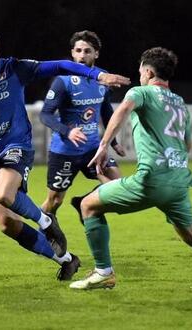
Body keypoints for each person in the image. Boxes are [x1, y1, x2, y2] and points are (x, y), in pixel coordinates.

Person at [0, 30, 130, 281]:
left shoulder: (14, 69)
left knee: (4, 194)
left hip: (16, 146)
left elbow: (60, 65)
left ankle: (46, 222)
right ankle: (66, 259)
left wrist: (98, 74)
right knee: (6, 224)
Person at [68, 47, 192, 292]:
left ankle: (103, 272)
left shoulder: (141, 92)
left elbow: (123, 109)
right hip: (178, 181)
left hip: (151, 179)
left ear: (148, 71)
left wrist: (103, 146)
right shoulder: (180, 104)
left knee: (87, 205)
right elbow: (186, 145)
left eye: (140, 73)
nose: (139, 77)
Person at [39, 30, 126, 217]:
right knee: (54, 201)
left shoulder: (103, 78)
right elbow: (45, 115)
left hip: (92, 149)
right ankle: (42, 227)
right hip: (64, 151)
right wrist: (67, 131)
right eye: (78, 50)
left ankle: (82, 203)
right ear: (72, 53)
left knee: (119, 188)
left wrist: (113, 142)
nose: (82, 55)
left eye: (87, 51)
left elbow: (105, 110)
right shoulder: (63, 81)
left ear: (96, 54)